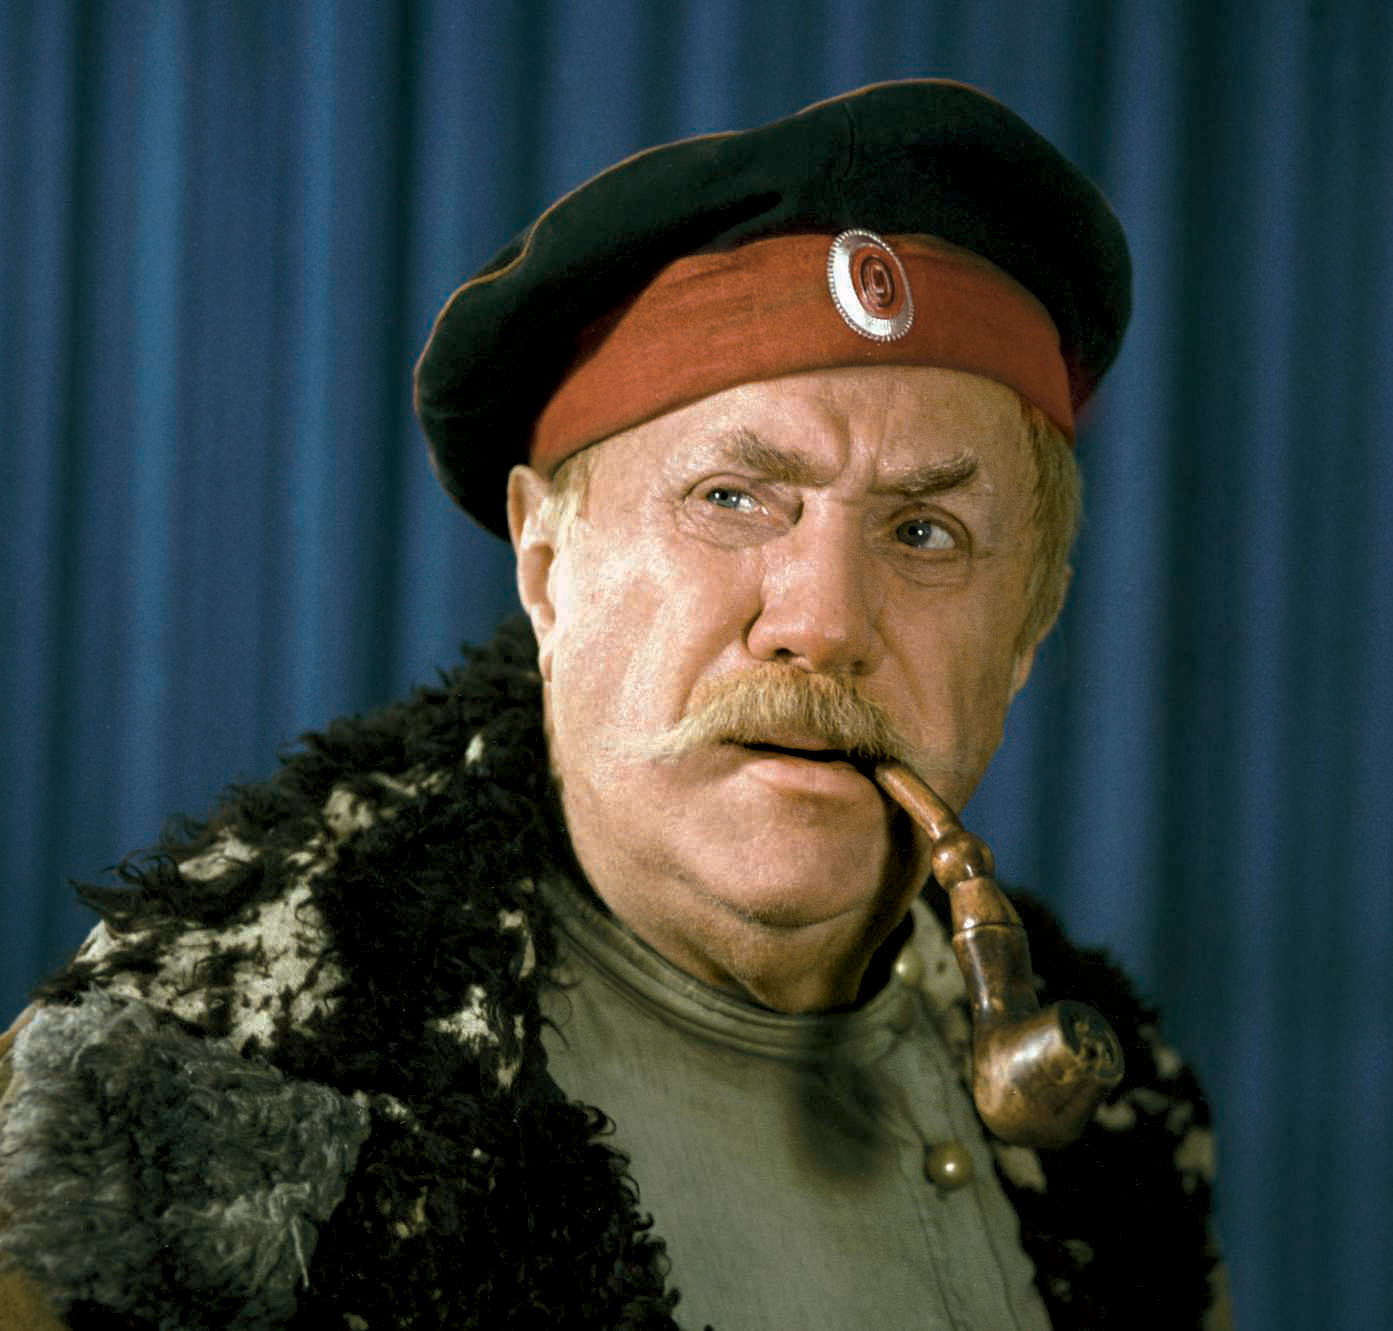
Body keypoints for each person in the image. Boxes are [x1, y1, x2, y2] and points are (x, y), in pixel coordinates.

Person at [0, 80, 1228, 1329]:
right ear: (546, 566)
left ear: (1026, 630)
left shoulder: (1121, 1130)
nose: (823, 621)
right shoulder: (200, 1087)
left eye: (925, 531)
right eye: (732, 499)